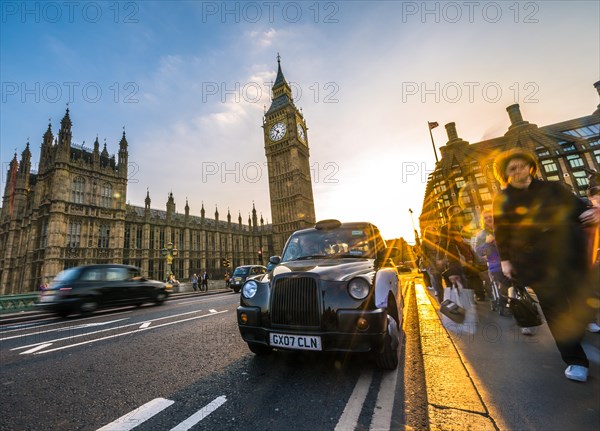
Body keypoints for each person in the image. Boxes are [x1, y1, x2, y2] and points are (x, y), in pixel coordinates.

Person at [493, 148, 599, 382]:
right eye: (512, 168)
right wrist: (506, 260)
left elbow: (578, 210)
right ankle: (575, 361)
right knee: (555, 309)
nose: (518, 171)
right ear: (505, 174)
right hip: (536, 263)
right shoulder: (503, 199)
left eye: (522, 165)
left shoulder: (553, 188)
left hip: (569, 255)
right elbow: (502, 232)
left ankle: (577, 330)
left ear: (531, 166)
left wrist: (591, 213)